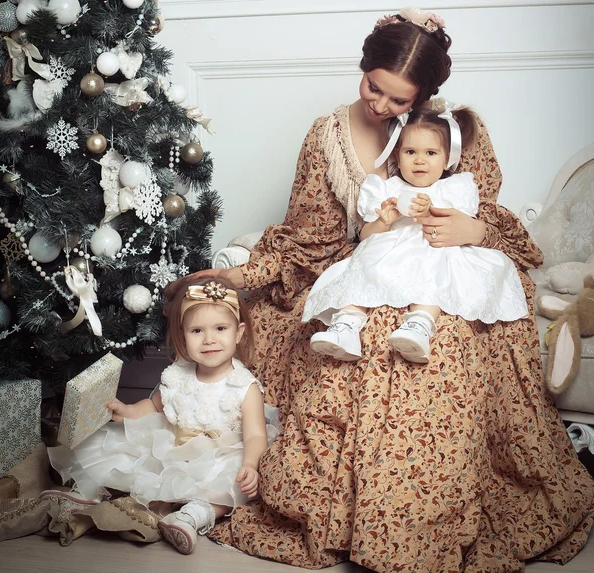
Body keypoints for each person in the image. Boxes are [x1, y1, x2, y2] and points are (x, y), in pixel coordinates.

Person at [192, 7, 594, 572]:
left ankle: (421, 520)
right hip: (376, 268)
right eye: (373, 88)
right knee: (356, 338)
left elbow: (495, 217)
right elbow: (311, 239)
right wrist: (242, 276)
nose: (381, 106)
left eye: (398, 101)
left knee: (448, 343)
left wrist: (473, 230)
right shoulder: (328, 135)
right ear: (364, 67)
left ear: (424, 97)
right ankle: (354, 518)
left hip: (445, 270)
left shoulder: (454, 134)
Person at [46, 276, 280, 555]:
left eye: (220, 328)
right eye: (196, 331)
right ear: (183, 335)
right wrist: (129, 412)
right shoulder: (178, 374)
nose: (209, 340)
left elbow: (255, 435)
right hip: (171, 446)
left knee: (231, 484)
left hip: (218, 455)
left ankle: (195, 515)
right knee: (121, 451)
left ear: (239, 333)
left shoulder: (244, 386)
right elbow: (154, 406)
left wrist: (251, 465)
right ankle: (89, 493)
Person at [304, 106, 529, 363]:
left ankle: (419, 326)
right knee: (363, 267)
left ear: (447, 160)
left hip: (433, 248)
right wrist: (383, 221)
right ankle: (345, 326)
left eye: (431, 153)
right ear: (397, 157)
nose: (420, 160)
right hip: (389, 252)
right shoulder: (386, 188)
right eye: (410, 152)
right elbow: (365, 236)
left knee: (436, 276)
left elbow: (453, 224)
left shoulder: (453, 188)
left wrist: (427, 212)